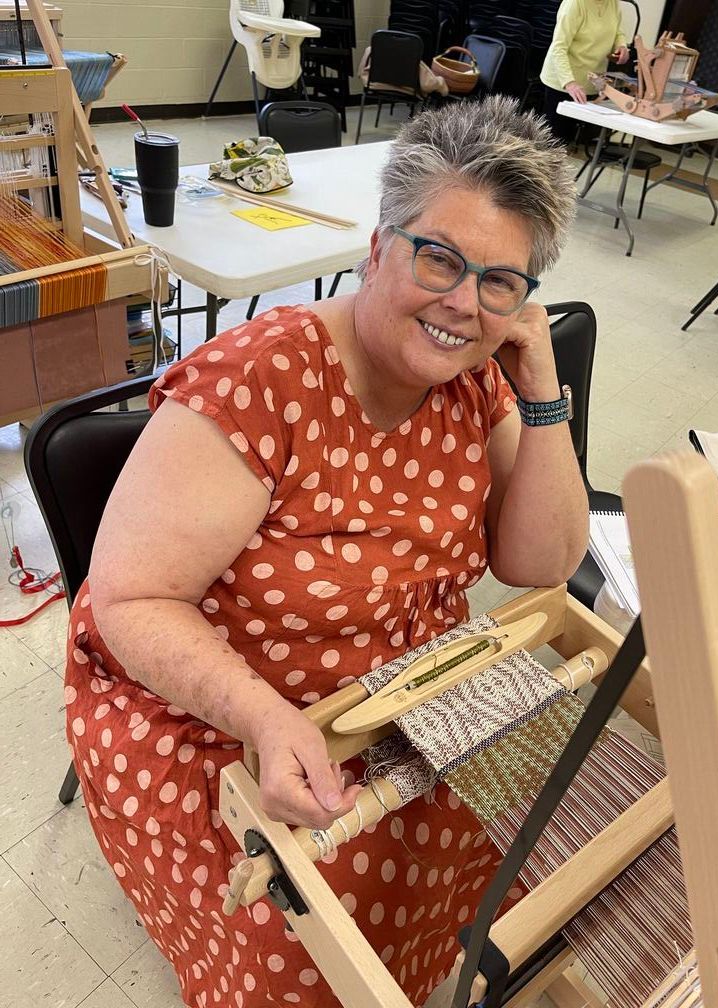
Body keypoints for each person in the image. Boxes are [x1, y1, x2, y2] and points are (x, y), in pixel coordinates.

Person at [64, 95, 588, 1008]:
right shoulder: (257, 385)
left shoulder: (476, 383)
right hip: (215, 703)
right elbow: (132, 601)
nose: (464, 303)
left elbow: (542, 562)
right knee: (305, 939)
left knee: (544, 829)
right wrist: (266, 718)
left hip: (399, 681)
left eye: (500, 282)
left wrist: (539, 386)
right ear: (378, 247)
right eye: (439, 257)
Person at [540, 0, 630, 144]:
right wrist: (570, 83)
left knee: (575, 141)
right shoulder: (574, 3)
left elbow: (618, 31)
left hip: (591, 82)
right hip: (563, 82)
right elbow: (558, 47)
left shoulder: (613, 3)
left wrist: (621, 46)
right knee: (552, 142)